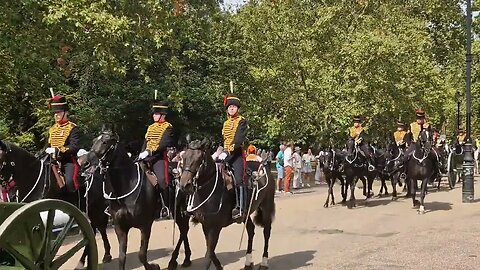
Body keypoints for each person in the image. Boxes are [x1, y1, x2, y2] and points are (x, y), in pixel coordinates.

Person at [138, 100, 174, 219]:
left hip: (159, 158)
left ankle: (166, 207)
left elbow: (164, 144)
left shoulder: (167, 127)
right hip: (146, 157)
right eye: (153, 114)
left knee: (162, 180)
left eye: (156, 114)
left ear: (163, 115)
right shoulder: (150, 128)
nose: (154, 116)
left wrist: (149, 152)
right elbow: (146, 142)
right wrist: (142, 153)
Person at [45, 95, 81, 205]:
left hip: (68, 161)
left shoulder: (73, 128)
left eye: (59, 113)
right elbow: (47, 145)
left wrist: (58, 151)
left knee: (70, 182)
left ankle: (76, 206)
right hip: (52, 162)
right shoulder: (52, 129)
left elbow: (74, 147)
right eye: (55, 113)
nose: (56, 115)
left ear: (65, 113)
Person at [221, 94, 248, 223]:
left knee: (238, 180)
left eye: (234, 107)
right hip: (225, 154)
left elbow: (238, 140)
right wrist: (220, 151)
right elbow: (224, 139)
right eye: (230, 107)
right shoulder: (226, 123)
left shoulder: (241, 121)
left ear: (237, 109)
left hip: (236, 154)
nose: (231, 109)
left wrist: (228, 151)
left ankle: (241, 207)